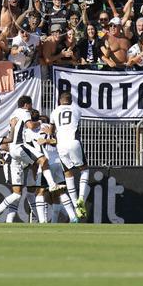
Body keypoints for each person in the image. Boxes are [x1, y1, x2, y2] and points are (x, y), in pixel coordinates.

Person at [49, 91, 89, 219]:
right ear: (71, 101)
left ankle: (76, 206)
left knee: (68, 174)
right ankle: (81, 198)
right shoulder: (77, 110)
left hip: (61, 145)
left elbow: (51, 131)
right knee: (84, 169)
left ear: (60, 101)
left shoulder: (54, 112)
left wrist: (50, 132)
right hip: (74, 141)